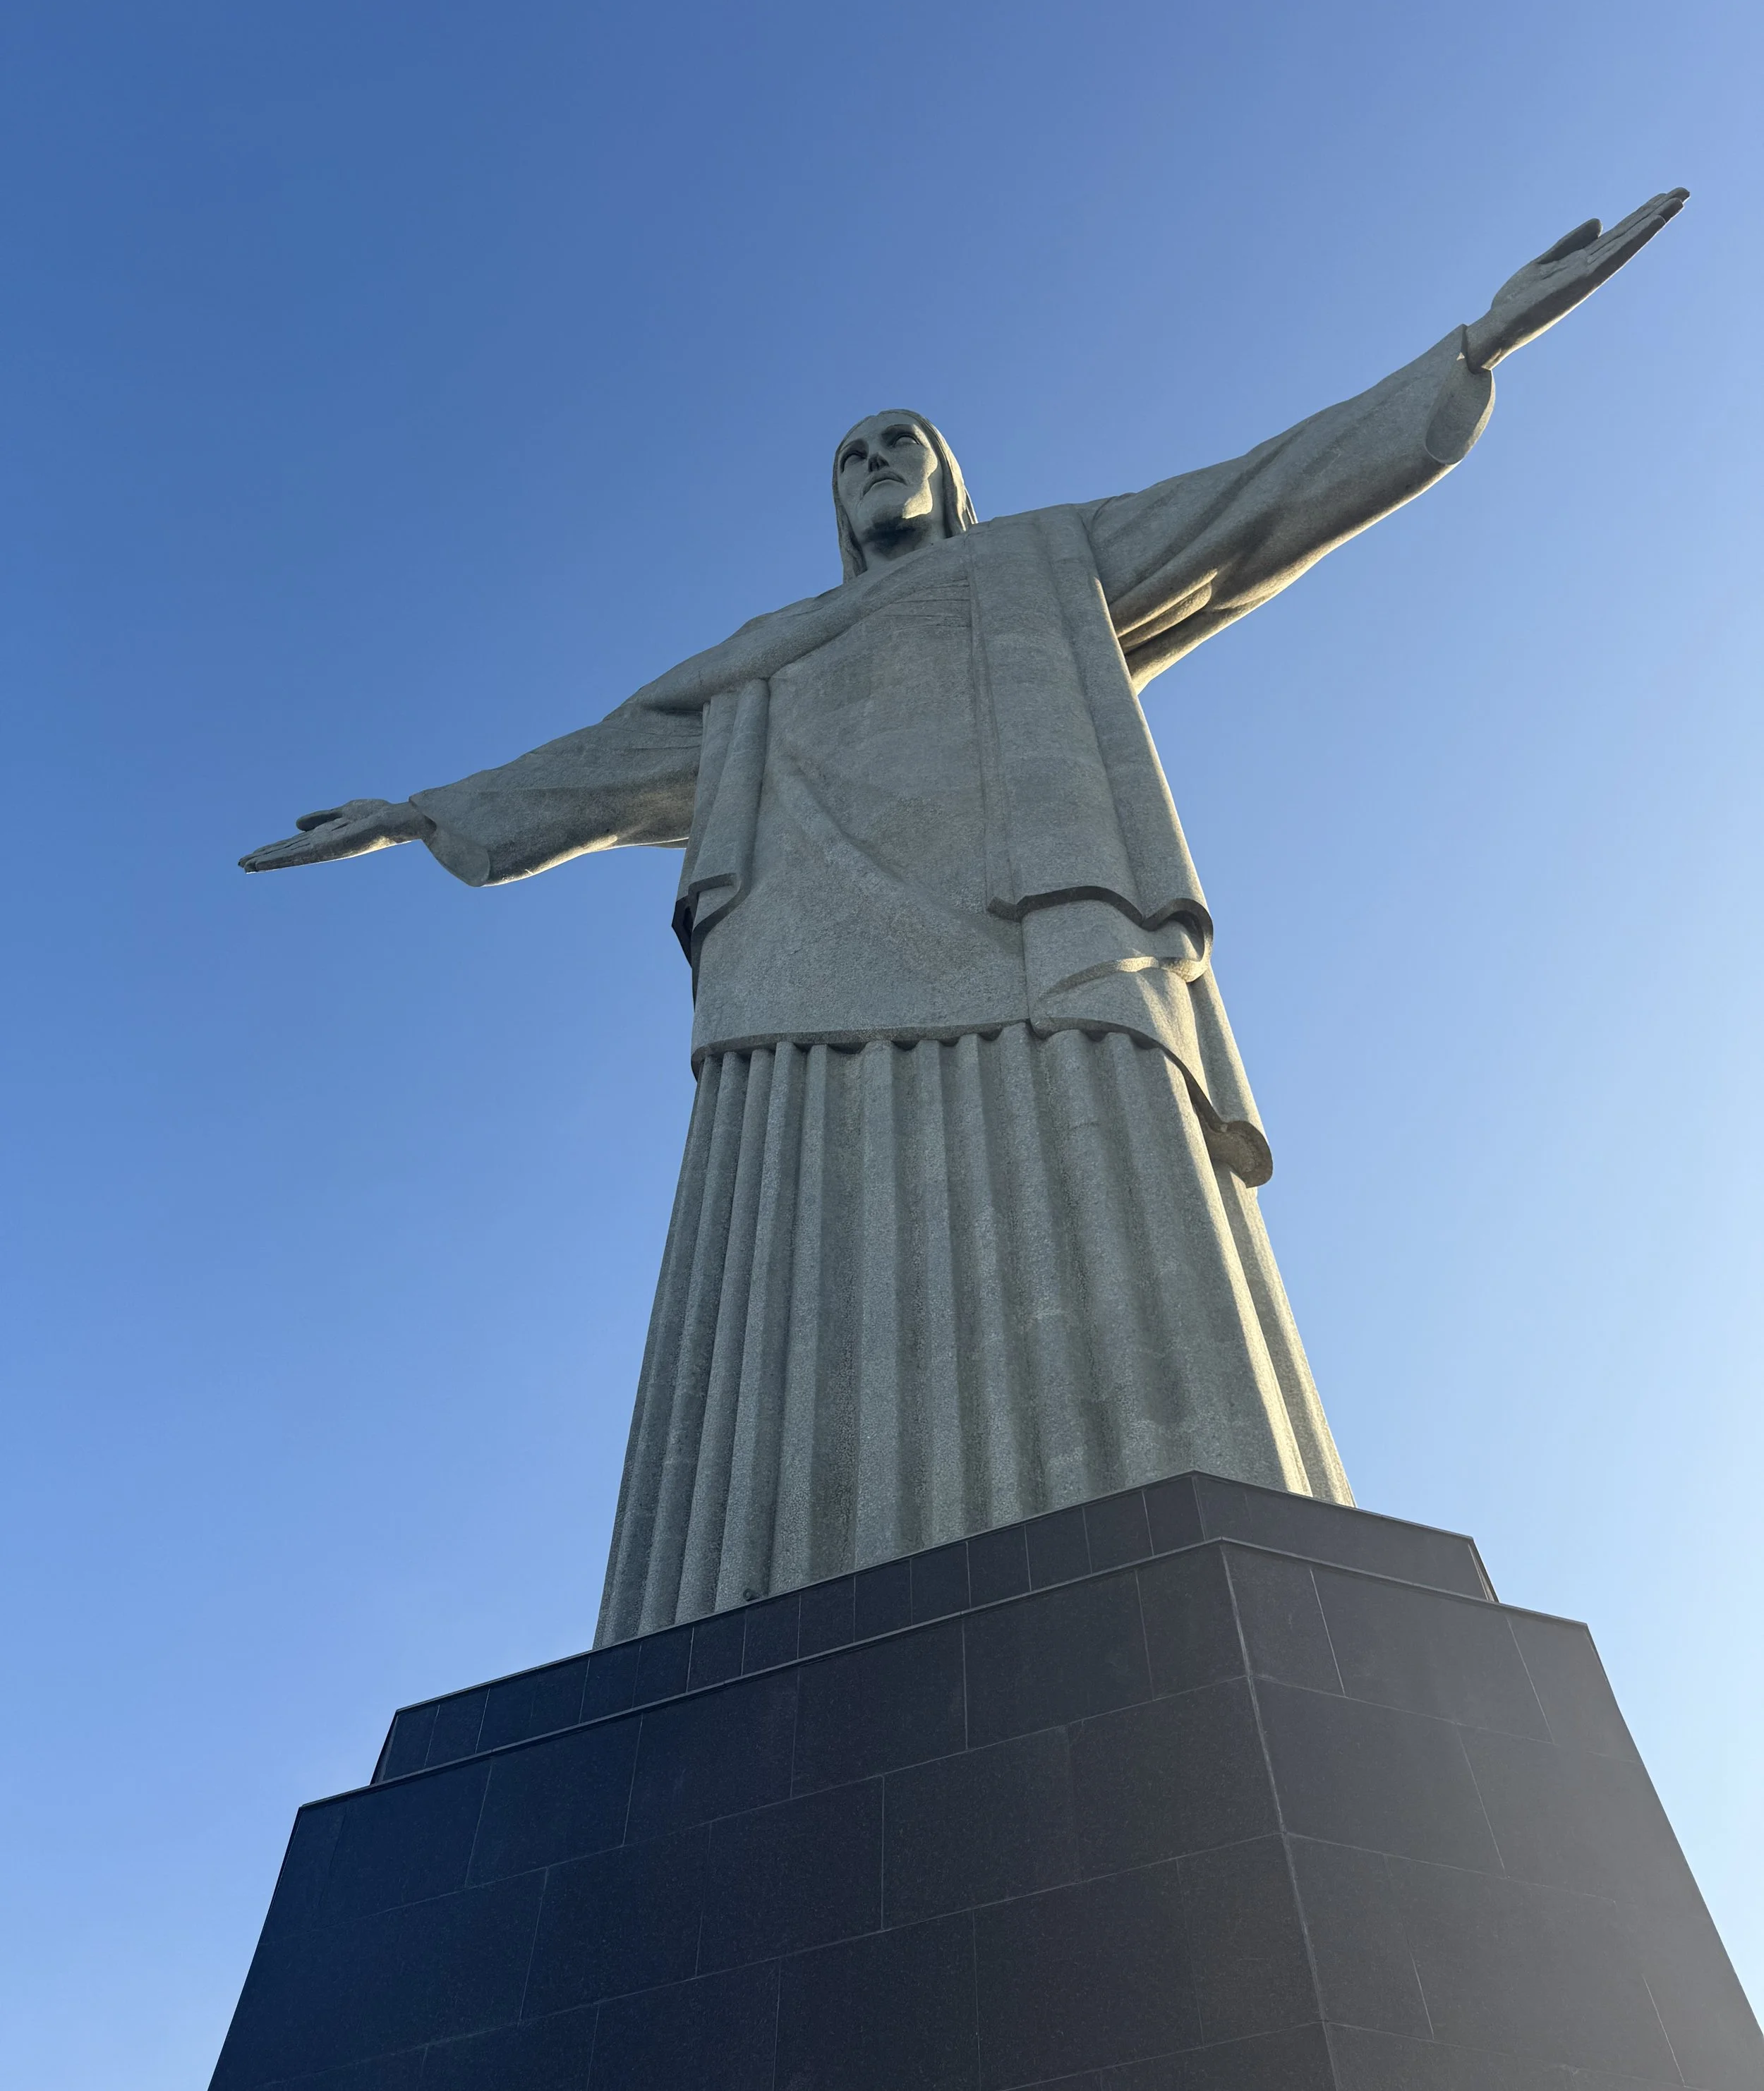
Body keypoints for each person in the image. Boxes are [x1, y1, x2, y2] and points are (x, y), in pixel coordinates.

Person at [243, 191, 1686, 1640]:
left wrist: (1465, 353)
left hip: (1045, 937)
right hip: (797, 980)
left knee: (1118, 1219)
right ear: (836, 505)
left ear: (947, 478)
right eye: (852, 452)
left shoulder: (1042, 563)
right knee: (793, 1277)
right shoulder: (761, 659)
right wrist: (423, 809)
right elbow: (599, 764)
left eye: (901, 440)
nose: (877, 459)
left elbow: (1252, 501)